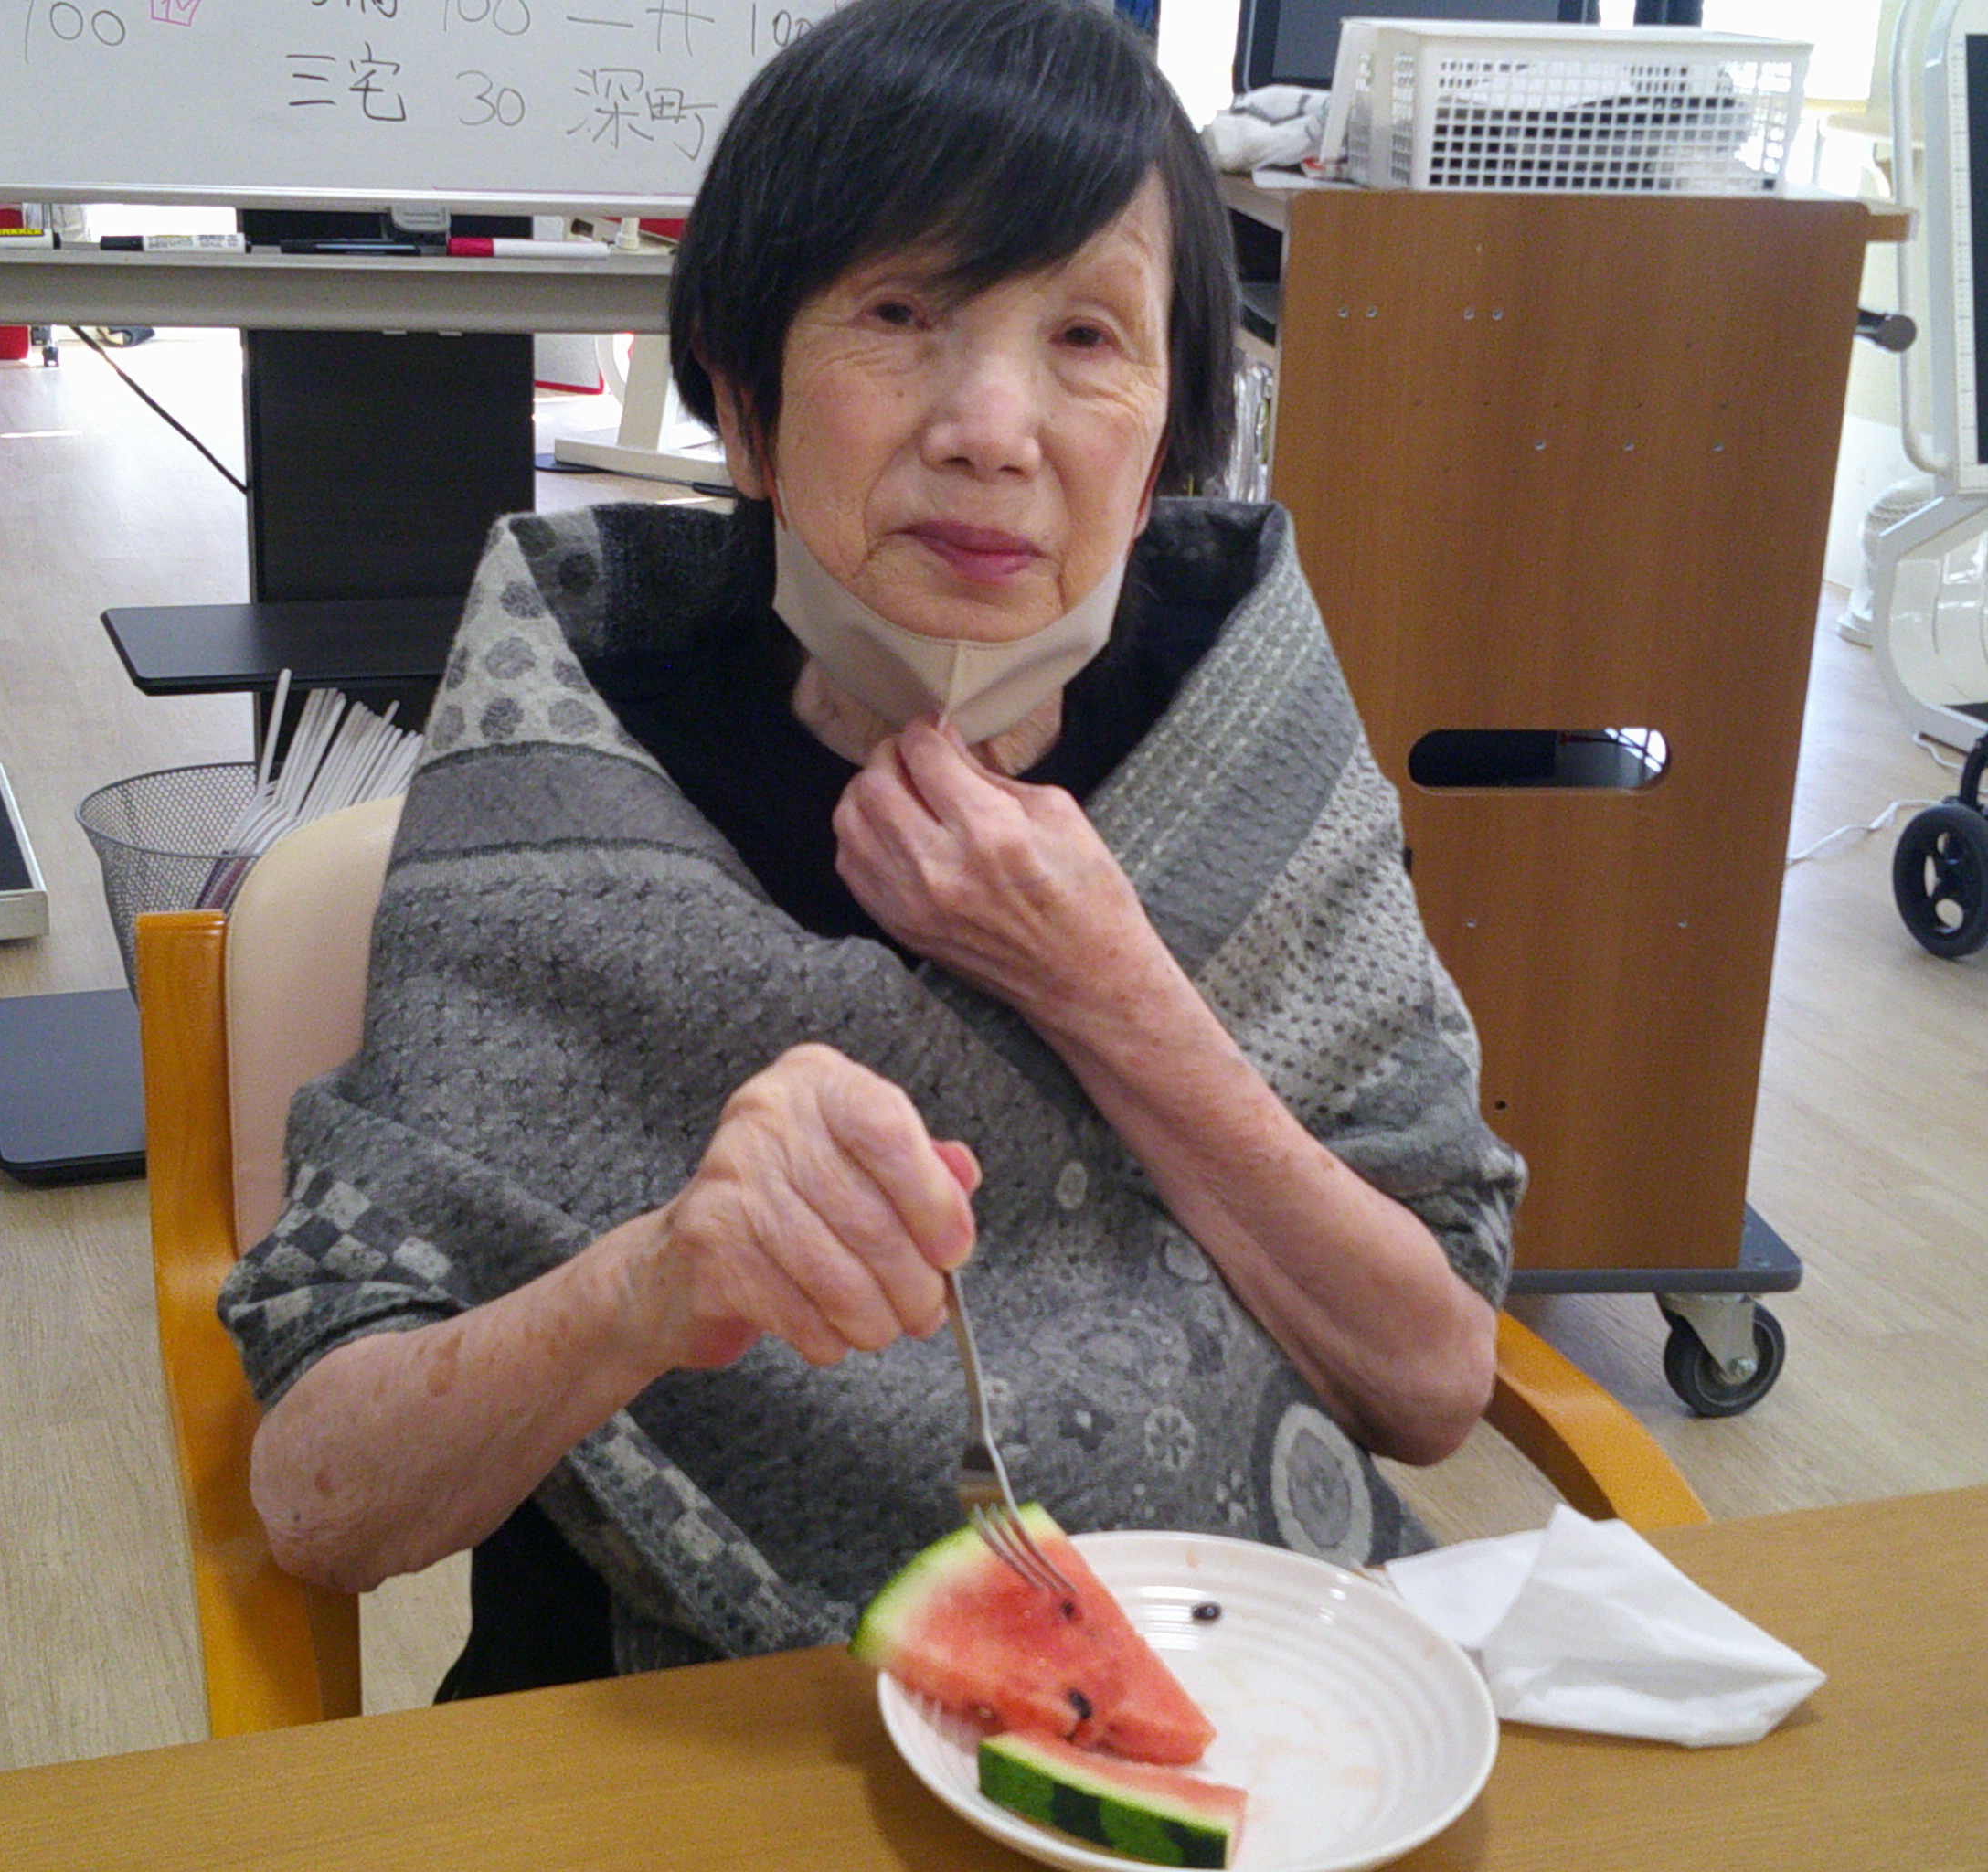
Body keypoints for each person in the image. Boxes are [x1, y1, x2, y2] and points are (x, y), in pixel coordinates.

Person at [219, 0, 1526, 1698]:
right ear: (743, 398)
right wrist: (654, 1282)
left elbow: (1429, 1384)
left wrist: (1108, 984)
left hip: (1243, 1699)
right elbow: (322, 1501)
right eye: (902, 314)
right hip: (678, 1735)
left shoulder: (1241, 728)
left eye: (1087, 336)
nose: (993, 425)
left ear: (1166, 438)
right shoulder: (573, 756)